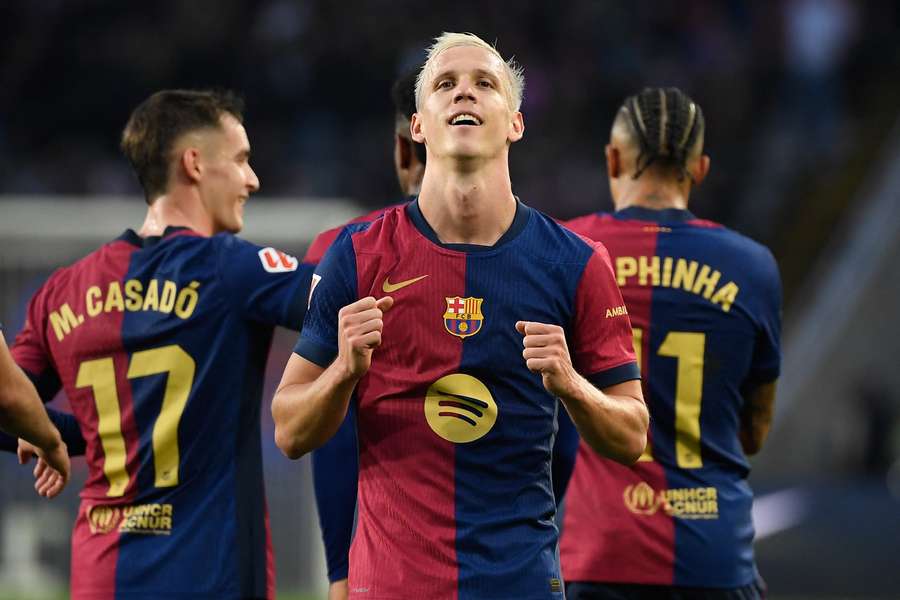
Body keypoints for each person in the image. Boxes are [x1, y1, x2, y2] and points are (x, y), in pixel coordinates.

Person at [272, 32, 648, 599]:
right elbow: (289, 430)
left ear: (515, 122)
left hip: (518, 585)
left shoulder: (574, 262)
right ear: (418, 125)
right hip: (393, 586)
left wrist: (571, 384)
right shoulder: (357, 255)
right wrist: (342, 372)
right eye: (445, 84)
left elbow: (632, 434)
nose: (464, 94)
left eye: (484, 84)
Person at [8, 89, 312, 599]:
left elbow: (5, 402)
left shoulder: (61, 291)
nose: (252, 179)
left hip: (99, 575)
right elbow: (341, 305)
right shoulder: (229, 267)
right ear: (194, 163)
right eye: (240, 159)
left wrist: (52, 435)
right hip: (208, 578)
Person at [560, 87, 781, 600]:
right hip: (714, 559)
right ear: (700, 168)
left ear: (613, 159)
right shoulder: (754, 267)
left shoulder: (566, 249)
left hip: (597, 555)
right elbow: (754, 431)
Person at [307, 69, 425, 600]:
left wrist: (339, 570)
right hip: (509, 567)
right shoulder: (551, 257)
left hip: (382, 567)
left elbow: (328, 430)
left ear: (403, 147)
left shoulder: (345, 250)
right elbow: (556, 444)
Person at [0, 329, 69, 497]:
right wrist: (51, 441)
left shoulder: (48, 307)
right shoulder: (48, 307)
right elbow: (9, 398)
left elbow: (13, 400)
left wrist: (46, 438)